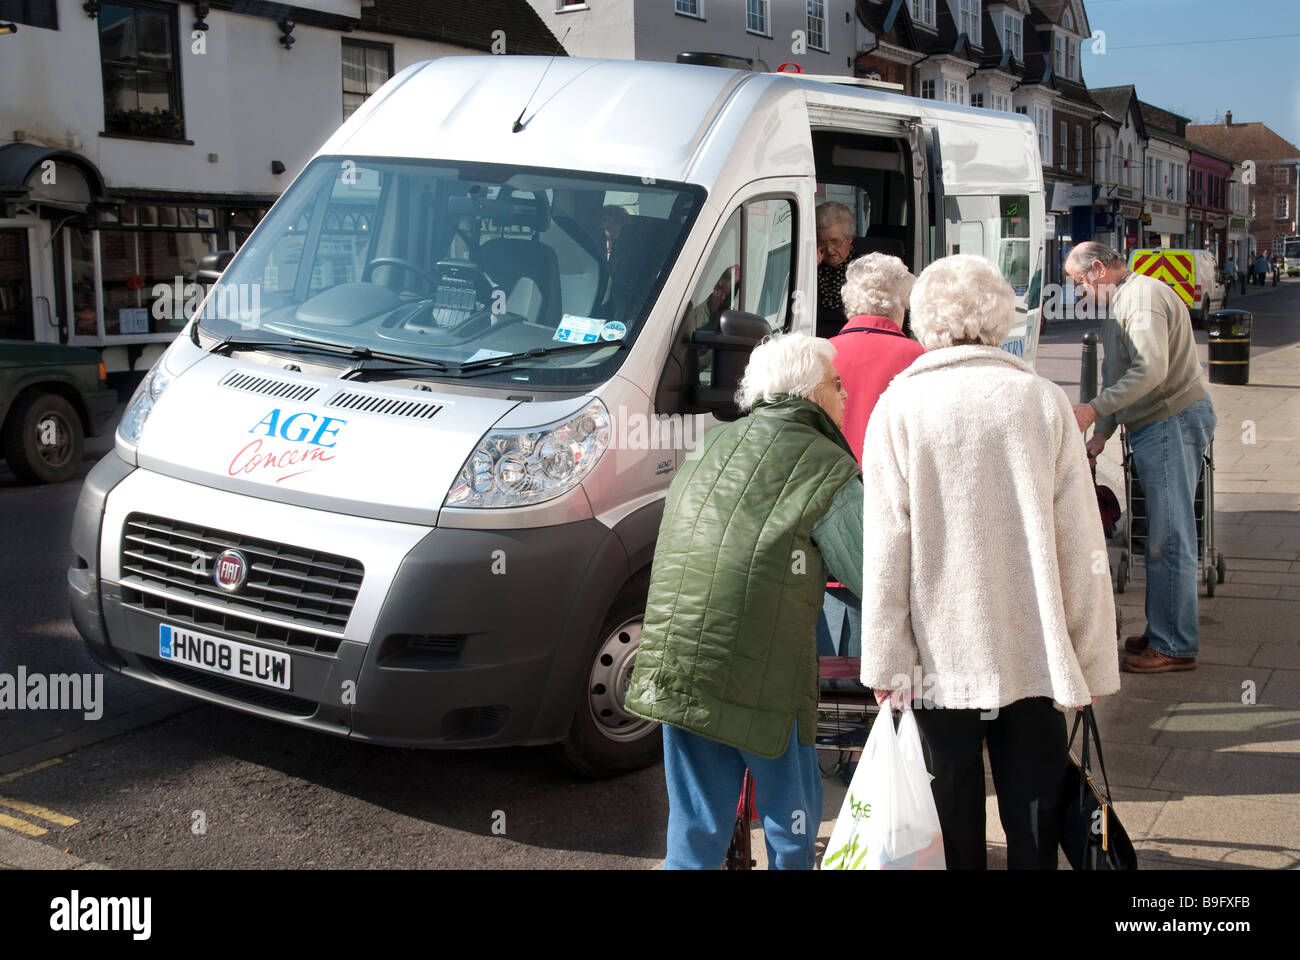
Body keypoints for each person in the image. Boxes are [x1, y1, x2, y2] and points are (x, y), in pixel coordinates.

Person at [859, 254, 1121, 870]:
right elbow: (1080, 544)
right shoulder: (1041, 401)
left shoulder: (899, 409)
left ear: (924, 318)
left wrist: (886, 659)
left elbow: (887, 550)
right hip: (1032, 654)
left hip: (938, 659)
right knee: (1035, 818)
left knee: (950, 819)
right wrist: (1087, 661)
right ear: (1001, 315)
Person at [624, 331, 864, 870]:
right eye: (837, 384)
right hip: (765, 679)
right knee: (792, 830)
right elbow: (874, 573)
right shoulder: (826, 464)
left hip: (678, 662)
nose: (845, 394)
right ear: (810, 393)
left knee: (695, 832)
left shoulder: (711, 442)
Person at [1067, 241, 1217, 673]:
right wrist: (1101, 435)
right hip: (1156, 423)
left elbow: (1149, 370)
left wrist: (1094, 409)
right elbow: (1118, 375)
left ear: (1097, 269)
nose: (1077, 293)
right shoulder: (1125, 302)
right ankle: (1163, 630)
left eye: (1078, 283)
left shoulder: (1142, 299)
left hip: (1169, 421)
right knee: (1161, 534)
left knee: (1170, 536)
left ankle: (1174, 645)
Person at [819, 254, 925, 658]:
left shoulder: (821, 355)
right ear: (903, 304)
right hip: (897, 520)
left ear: (849, 301)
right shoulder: (919, 358)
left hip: (831, 523)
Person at [816, 201, 861, 338]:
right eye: (822, 241)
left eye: (835, 241)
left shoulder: (863, 270)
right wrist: (811, 270)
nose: (829, 249)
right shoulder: (808, 266)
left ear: (849, 238)